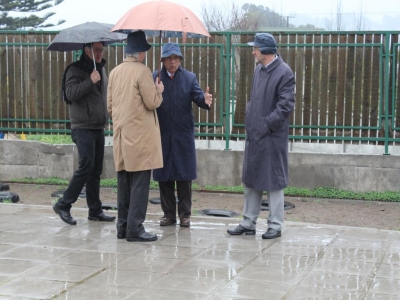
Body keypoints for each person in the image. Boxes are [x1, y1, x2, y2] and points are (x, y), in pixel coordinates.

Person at [227, 33, 295, 239]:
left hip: (272, 138)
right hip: (255, 136)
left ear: (265, 50)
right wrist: (250, 118)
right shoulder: (259, 70)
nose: (253, 51)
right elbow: (252, 98)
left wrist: (266, 125)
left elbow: (285, 106)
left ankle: (275, 225)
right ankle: (248, 222)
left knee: (274, 181)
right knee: (252, 179)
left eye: (255, 48)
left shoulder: (284, 72)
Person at [107, 30, 164, 242]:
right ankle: (135, 229)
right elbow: (152, 102)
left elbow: (110, 107)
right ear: (140, 52)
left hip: (121, 137)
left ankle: (122, 227)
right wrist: (159, 90)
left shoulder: (114, 72)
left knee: (124, 183)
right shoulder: (142, 71)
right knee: (140, 185)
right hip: (140, 138)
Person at [53, 42, 115, 225]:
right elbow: (70, 94)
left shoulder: (101, 69)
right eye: (96, 50)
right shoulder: (75, 70)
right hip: (82, 127)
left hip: (97, 126)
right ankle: (63, 204)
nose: (99, 53)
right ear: (86, 50)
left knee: (95, 171)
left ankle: (95, 210)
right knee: (85, 167)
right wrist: (90, 80)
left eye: (101, 49)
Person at [152, 43, 212, 228]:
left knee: (184, 176)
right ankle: (168, 214)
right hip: (162, 134)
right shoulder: (155, 77)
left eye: (176, 58)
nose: (173, 61)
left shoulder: (189, 78)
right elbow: (148, 101)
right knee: (165, 177)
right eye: (169, 58)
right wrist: (156, 91)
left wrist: (205, 100)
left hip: (182, 134)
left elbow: (197, 96)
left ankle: (185, 214)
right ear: (162, 59)